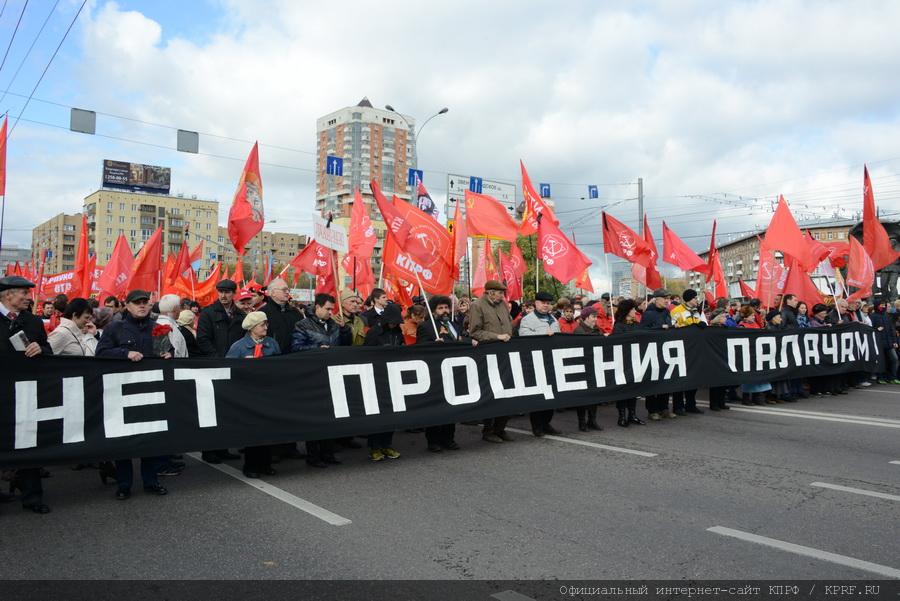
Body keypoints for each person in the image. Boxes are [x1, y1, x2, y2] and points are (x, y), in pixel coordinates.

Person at [95, 289, 171, 500]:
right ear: (127, 305)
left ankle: (151, 481)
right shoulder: (115, 328)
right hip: (123, 391)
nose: (142, 305)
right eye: (137, 302)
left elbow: (168, 351)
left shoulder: (158, 328)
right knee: (124, 442)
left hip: (150, 391)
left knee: (150, 439)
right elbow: (100, 353)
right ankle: (124, 484)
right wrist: (125, 353)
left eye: (145, 302)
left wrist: (168, 353)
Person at [0, 276, 52, 513]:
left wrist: (41, 348)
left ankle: (32, 496)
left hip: (26, 394)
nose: (28, 297)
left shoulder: (33, 322)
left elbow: (49, 350)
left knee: (29, 442)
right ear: (7, 294)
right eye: (23, 292)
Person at [291, 293, 351, 467]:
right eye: (327, 309)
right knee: (315, 416)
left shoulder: (333, 324)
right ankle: (313, 455)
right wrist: (317, 348)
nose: (330, 312)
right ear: (317, 307)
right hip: (313, 375)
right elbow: (296, 347)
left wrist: (345, 330)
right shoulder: (302, 325)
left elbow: (345, 345)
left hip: (331, 374)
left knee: (331, 415)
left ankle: (328, 452)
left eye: (332, 309)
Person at [195, 279, 245, 464]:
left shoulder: (240, 314)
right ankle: (210, 450)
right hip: (214, 367)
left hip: (233, 367)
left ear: (234, 293)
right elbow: (203, 339)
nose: (224, 295)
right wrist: (217, 358)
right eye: (221, 291)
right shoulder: (208, 313)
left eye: (227, 292)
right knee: (212, 411)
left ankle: (223, 448)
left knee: (227, 412)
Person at [226, 311, 280, 478]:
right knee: (252, 432)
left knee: (269, 431)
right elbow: (229, 369)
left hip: (268, 394)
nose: (266, 327)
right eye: (262, 324)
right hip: (248, 395)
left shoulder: (272, 344)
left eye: (266, 324)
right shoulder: (239, 347)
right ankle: (250, 466)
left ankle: (266, 464)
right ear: (251, 328)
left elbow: (281, 366)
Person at [468, 280, 515, 443]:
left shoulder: (502, 304)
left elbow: (508, 324)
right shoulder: (477, 306)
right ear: (489, 292)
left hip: (506, 353)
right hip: (489, 354)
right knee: (493, 393)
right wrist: (496, 337)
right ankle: (488, 431)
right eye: (500, 293)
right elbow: (474, 332)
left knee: (508, 391)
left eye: (503, 293)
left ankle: (500, 429)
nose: (502, 296)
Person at [416, 294, 462, 451]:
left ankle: (449, 438)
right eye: (441, 308)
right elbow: (419, 347)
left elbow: (460, 341)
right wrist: (432, 344)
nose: (445, 311)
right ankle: (433, 440)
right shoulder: (426, 326)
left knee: (452, 407)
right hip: (435, 372)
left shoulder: (454, 325)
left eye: (446, 307)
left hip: (453, 371)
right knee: (436, 407)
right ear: (434, 310)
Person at [363, 303, 405, 461]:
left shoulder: (398, 332)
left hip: (393, 377)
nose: (394, 324)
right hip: (377, 377)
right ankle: (374, 447)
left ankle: (387, 445)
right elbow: (365, 353)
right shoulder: (375, 332)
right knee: (377, 415)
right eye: (392, 321)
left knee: (392, 414)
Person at [519, 291, 562, 437]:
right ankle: (537, 426)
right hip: (536, 362)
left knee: (551, 395)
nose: (546, 305)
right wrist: (543, 336)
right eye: (543, 302)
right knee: (538, 396)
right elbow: (523, 336)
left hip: (551, 362)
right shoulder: (527, 319)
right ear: (536, 303)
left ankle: (546, 423)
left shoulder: (554, 320)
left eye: (549, 303)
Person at [611, 299, 646, 427]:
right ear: (626, 311)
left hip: (635, 361)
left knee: (634, 389)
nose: (634, 311)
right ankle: (621, 417)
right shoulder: (619, 326)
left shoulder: (636, 324)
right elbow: (617, 343)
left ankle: (632, 415)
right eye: (632, 309)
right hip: (622, 362)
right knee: (623, 390)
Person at [669, 289, 704, 415]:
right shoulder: (676, 311)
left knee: (694, 377)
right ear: (689, 299)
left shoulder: (696, 311)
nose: (697, 300)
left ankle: (691, 404)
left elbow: (698, 323)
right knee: (680, 378)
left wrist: (701, 324)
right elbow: (673, 328)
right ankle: (678, 406)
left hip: (694, 348)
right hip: (681, 348)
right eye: (695, 298)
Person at [641, 288, 673, 420]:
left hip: (665, 349)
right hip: (652, 351)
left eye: (668, 298)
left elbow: (669, 325)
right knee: (653, 381)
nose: (667, 301)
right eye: (664, 298)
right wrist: (660, 328)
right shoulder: (648, 313)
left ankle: (664, 408)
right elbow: (643, 331)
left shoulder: (666, 311)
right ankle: (652, 410)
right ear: (656, 299)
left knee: (665, 380)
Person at [260, 278, 303, 354]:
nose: (287, 292)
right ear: (273, 293)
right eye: (284, 290)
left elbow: (304, 334)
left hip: (295, 358)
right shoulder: (262, 313)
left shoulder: (296, 312)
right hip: (272, 359)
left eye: (288, 290)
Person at [706, 309, 732, 411]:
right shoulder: (711, 329)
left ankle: (722, 402)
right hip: (714, 358)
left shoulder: (725, 327)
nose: (725, 318)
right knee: (715, 382)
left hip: (724, 356)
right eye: (723, 316)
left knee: (723, 381)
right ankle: (714, 404)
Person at [871, 300, 900, 384]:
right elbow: (869, 329)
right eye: (881, 305)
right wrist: (876, 329)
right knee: (882, 361)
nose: (883, 306)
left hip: (889, 342)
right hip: (879, 343)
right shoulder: (873, 316)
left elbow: (891, 329)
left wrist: (894, 341)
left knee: (894, 359)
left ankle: (892, 377)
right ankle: (881, 378)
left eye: (884, 305)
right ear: (877, 305)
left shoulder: (886, 316)